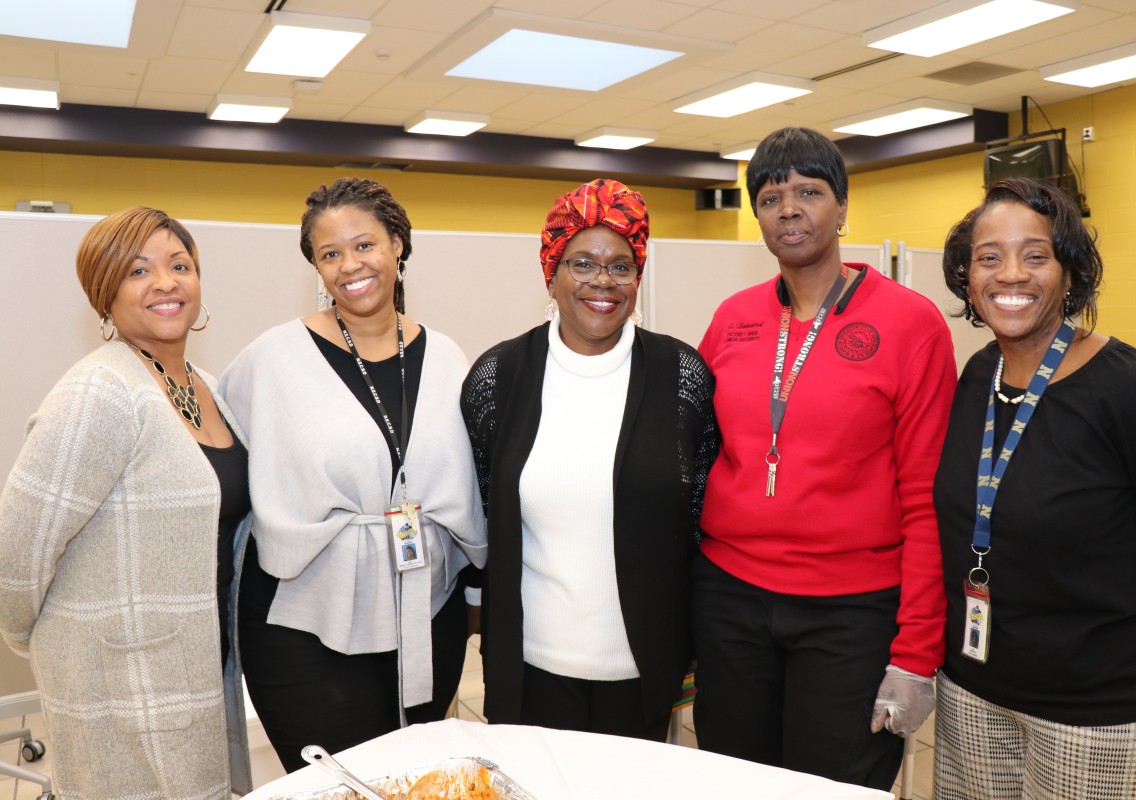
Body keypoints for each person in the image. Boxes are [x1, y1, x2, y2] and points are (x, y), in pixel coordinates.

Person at [692, 126, 957, 790]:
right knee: (734, 782)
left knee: (833, 787)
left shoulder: (910, 323)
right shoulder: (732, 318)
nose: (789, 209)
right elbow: (693, 464)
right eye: (771, 195)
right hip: (732, 601)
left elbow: (928, 499)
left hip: (853, 613)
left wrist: (917, 653)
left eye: (809, 191)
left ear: (842, 207)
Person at [933, 177, 1136, 800]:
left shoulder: (1127, 389)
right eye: (989, 257)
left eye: (1036, 255)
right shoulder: (978, 374)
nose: (1011, 275)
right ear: (967, 279)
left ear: (1070, 272)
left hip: (1100, 704)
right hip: (975, 688)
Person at [220, 177, 486, 772]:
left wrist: (473, 596)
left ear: (397, 244)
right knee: (335, 783)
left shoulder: (446, 356)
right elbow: (224, 465)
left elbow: (474, 487)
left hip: (426, 614)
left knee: (412, 776)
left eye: (364, 245)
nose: (349, 266)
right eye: (329, 254)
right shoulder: (272, 360)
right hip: (308, 624)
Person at [0, 207, 251, 798]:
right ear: (104, 295)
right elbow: (17, 548)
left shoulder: (204, 385)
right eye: (138, 270)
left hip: (195, 664)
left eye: (179, 265)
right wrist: (39, 640)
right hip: (119, 686)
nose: (166, 282)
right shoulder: (100, 391)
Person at [460, 178, 717, 741]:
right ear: (551, 272)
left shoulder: (683, 376)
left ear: (638, 276)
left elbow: (700, 522)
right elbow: (485, 516)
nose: (603, 280)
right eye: (582, 262)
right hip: (530, 668)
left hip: (644, 668)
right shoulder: (496, 378)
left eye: (621, 266)